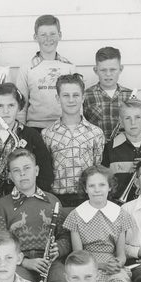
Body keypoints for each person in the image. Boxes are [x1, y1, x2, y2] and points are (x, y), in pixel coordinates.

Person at [0, 148, 70, 282]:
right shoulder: (2, 205)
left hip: (49, 261)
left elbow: (65, 237)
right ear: (10, 176)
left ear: (36, 170)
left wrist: (57, 249)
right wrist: (24, 261)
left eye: (27, 168)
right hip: (18, 262)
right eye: (16, 171)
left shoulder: (53, 201)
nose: (22, 174)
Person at [63, 165, 138, 282]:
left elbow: (121, 254)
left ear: (110, 187)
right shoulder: (76, 216)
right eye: (92, 186)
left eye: (102, 185)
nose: (97, 190)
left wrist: (118, 264)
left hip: (112, 265)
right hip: (87, 265)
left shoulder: (119, 214)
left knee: (118, 281)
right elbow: (78, 255)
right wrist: (101, 266)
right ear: (85, 188)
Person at [0, 82, 53, 198]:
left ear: (19, 107)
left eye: (11, 105)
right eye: (0, 106)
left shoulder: (32, 136)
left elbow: (46, 176)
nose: (5, 111)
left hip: (24, 201)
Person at [41, 73, 105, 208]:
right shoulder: (47, 134)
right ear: (58, 98)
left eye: (76, 95)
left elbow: (97, 167)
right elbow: (46, 171)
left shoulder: (95, 133)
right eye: (66, 96)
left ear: (83, 97)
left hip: (87, 199)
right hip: (57, 199)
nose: (71, 100)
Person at [14, 14, 77, 130]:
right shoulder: (27, 68)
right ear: (35, 37)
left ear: (60, 35)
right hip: (35, 127)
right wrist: (21, 131)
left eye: (52, 34)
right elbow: (21, 106)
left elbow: (77, 104)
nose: (48, 39)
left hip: (64, 127)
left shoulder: (69, 67)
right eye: (43, 35)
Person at [83, 46, 133, 141]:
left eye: (113, 69)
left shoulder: (130, 95)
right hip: (98, 149)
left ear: (121, 69)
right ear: (95, 70)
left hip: (124, 149)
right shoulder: (87, 95)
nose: (108, 74)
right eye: (103, 70)